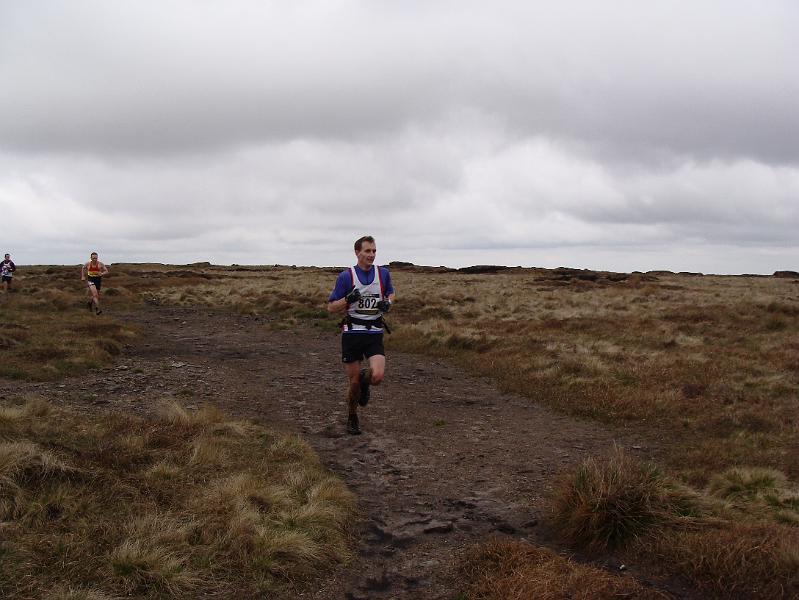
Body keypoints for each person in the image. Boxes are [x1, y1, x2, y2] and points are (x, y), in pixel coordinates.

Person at [327, 236, 396, 435]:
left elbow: (391, 293)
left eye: (374, 251)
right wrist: (348, 299)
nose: (371, 255)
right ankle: (352, 415)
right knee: (354, 382)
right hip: (352, 333)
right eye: (367, 251)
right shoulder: (346, 277)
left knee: (378, 376)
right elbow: (331, 307)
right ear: (357, 252)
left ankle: (366, 383)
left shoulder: (383, 274)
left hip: (374, 332)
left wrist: (388, 304)